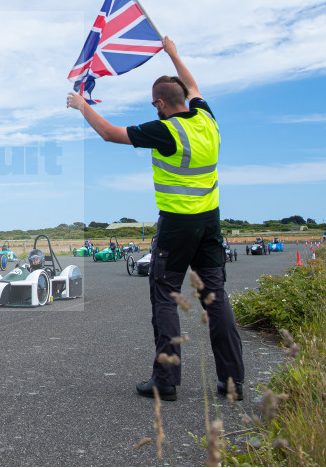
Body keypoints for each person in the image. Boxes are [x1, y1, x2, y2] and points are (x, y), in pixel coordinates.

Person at [67, 36, 245, 402]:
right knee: (216, 298)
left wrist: (83, 106)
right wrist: (174, 54)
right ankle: (232, 383)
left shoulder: (166, 130)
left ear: (161, 103)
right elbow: (193, 86)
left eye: (155, 104)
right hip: (210, 223)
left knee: (165, 294)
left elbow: (109, 134)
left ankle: (166, 380)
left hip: (177, 226)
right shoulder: (207, 120)